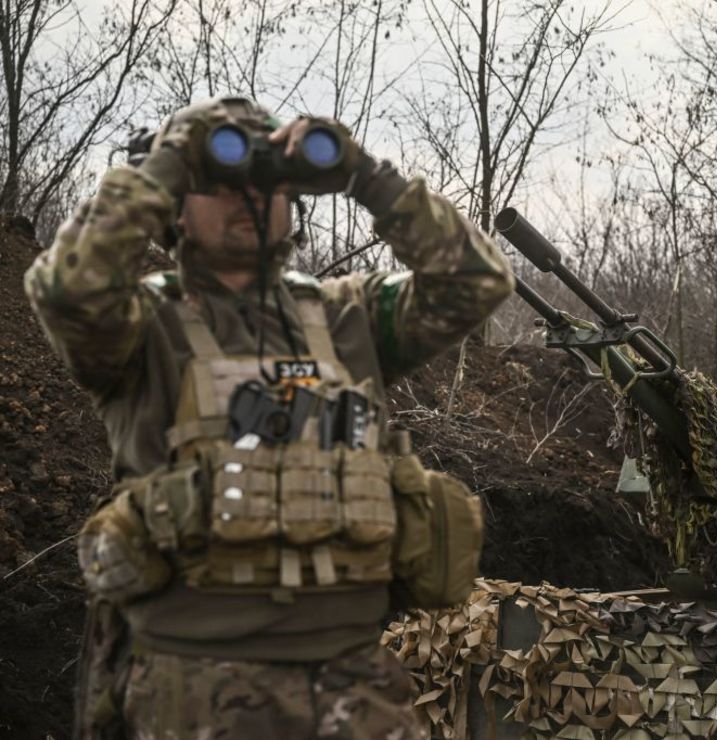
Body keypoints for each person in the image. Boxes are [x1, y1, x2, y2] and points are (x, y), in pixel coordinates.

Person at [25, 97, 514, 738]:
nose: (244, 197)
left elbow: (476, 279)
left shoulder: (346, 318)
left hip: (354, 682)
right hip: (194, 685)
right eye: (217, 182)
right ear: (174, 204)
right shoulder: (142, 328)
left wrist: (364, 175)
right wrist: (172, 160)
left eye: (264, 181)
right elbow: (66, 289)